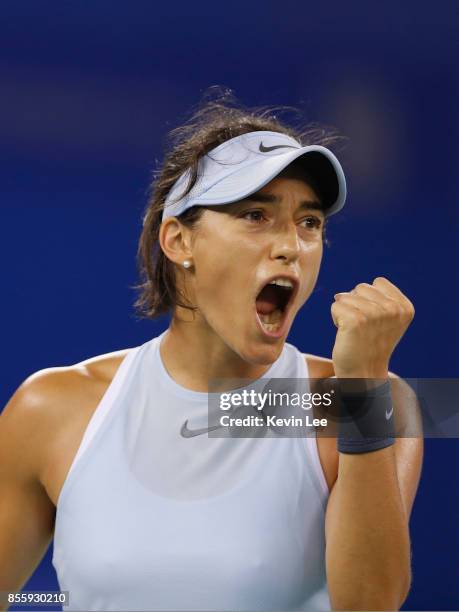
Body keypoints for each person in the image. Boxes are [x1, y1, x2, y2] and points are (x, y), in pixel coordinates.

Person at [0, 91, 423, 611]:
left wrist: (361, 387)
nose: (292, 244)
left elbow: (370, 604)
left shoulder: (371, 403)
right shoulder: (51, 408)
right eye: (254, 215)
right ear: (179, 242)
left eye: (309, 222)